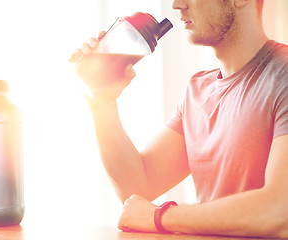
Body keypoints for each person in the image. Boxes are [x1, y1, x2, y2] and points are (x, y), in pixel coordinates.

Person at [69, 0, 288, 238]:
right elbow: (136, 185)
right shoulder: (197, 90)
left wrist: (160, 216)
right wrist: (102, 104)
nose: (177, 4)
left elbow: (279, 212)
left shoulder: (283, 75)